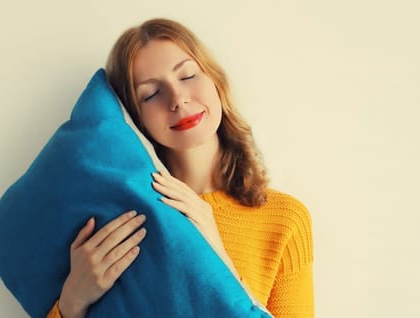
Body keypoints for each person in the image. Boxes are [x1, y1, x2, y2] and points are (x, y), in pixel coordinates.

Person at [48, 18, 314, 318]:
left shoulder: (284, 219)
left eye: (187, 76)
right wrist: (72, 303)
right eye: (151, 94)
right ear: (137, 118)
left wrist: (217, 254)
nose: (177, 99)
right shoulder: (121, 214)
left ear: (216, 81)